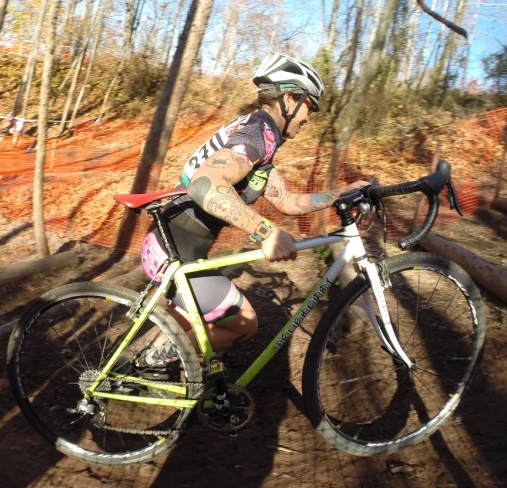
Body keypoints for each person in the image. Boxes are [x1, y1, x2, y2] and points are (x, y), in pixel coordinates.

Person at [136, 52, 367, 367]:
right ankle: (149, 364)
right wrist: (266, 232)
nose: (309, 117)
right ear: (290, 99)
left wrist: (342, 193)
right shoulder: (258, 133)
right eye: (310, 106)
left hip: (176, 245)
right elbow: (204, 185)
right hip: (173, 251)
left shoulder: (260, 137)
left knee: (188, 321)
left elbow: (287, 201)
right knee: (244, 323)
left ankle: (148, 366)